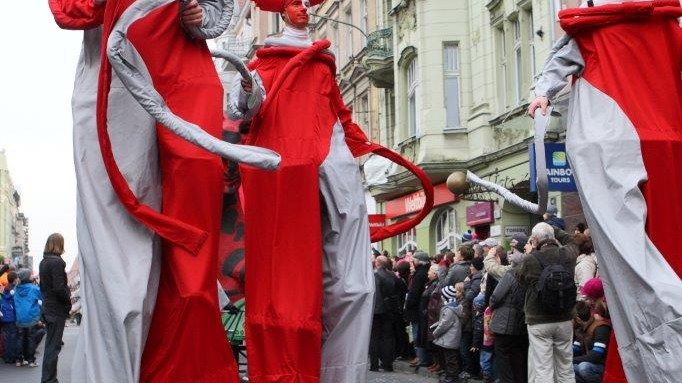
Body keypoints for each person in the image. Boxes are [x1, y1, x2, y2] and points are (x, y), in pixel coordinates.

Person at [227, 0, 432, 381]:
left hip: (331, 164)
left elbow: (341, 113)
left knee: (354, 286)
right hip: (285, 172)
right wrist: (245, 85)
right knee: (289, 288)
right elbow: (245, 108)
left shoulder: (322, 63)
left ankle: (339, 373)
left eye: (307, 2)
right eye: (294, 2)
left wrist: (367, 147)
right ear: (281, 11)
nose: (303, 8)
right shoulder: (266, 62)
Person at [527, 1, 682, 382]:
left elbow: (557, 64)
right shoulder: (666, 26)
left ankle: (662, 351)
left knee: (633, 256)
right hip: (663, 135)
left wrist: (543, 94)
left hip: (610, 137)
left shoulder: (592, 28)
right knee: (660, 247)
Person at [516, 222, 578, 383]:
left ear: (534, 240)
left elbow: (519, 278)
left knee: (543, 369)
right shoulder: (568, 254)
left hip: (538, 320)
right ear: (553, 237)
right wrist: (551, 227)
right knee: (565, 368)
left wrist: (531, 251)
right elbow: (572, 240)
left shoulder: (530, 259)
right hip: (565, 318)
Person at [489, 249, 528, 383]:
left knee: (503, 357)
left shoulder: (510, 274)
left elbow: (496, 296)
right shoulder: (528, 276)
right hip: (521, 322)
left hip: (504, 323)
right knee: (518, 357)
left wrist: (491, 306)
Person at [39, 233, 72, 383]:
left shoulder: (43, 262)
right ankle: (49, 380)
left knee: (50, 347)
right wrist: (68, 300)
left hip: (47, 307)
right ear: (60, 244)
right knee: (54, 347)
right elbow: (59, 288)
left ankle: (47, 378)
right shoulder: (57, 262)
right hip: (56, 309)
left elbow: (43, 287)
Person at [369, 255, 404, 372]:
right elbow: (401, 291)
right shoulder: (393, 276)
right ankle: (387, 364)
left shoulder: (374, 276)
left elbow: (373, 294)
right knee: (388, 337)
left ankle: (374, 364)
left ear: (377, 263)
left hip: (377, 310)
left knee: (374, 337)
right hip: (389, 310)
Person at [573, 278, 611, 383]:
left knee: (584, 367)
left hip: (601, 364)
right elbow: (575, 348)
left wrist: (571, 360)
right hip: (592, 361)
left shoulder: (601, 327)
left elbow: (596, 354)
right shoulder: (583, 328)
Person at [431, 285, 464, 383]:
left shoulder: (449, 309)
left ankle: (452, 377)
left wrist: (435, 332)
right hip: (451, 337)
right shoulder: (453, 307)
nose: (441, 297)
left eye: (442, 295)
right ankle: (450, 375)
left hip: (450, 338)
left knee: (450, 359)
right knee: (449, 358)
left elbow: (445, 324)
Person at [13, 268, 42, 368]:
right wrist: (38, 283)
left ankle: (19, 360)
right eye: (30, 275)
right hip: (31, 318)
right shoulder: (33, 288)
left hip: (20, 318)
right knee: (30, 339)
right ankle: (31, 361)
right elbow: (42, 296)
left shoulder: (16, 289)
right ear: (27, 277)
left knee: (20, 339)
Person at [1, 270, 18, 364]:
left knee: (7, 337)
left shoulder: (5, 289)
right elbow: (15, 304)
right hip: (12, 315)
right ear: (15, 279)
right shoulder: (15, 289)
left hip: (5, 315)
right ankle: (13, 357)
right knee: (13, 336)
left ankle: (8, 357)